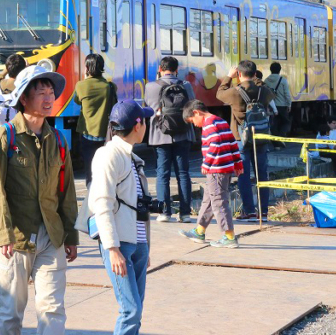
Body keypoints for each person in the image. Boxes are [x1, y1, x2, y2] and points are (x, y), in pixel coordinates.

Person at [0, 65, 79, 335]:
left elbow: (67, 192)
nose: (49, 98)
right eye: (41, 93)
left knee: (52, 309)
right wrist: (2, 233)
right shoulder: (4, 138)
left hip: (51, 235)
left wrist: (71, 236)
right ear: (23, 98)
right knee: (10, 311)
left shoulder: (58, 140)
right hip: (15, 237)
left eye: (51, 92)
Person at [86, 100, 153, 335]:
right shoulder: (109, 155)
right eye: (145, 120)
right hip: (120, 245)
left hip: (138, 243)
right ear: (137, 125)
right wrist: (112, 248)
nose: (147, 125)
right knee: (130, 310)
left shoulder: (131, 157)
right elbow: (101, 203)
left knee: (137, 309)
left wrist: (146, 247)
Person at [216, 61, 276, 221]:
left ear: (239, 74)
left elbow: (219, 93)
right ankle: (263, 212)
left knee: (243, 174)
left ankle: (249, 211)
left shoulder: (235, 92)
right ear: (255, 74)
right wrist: (257, 81)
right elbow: (272, 93)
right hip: (261, 137)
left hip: (240, 138)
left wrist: (228, 77)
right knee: (262, 174)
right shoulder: (263, 91)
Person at [182, 100, 242, 248]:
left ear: (196, 112)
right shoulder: (221, 121)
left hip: (216, 169)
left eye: (192, 121)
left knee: (219, 202)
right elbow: (232, 143)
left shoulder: (209, 124)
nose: (194, 125)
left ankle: (229, 236)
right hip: (225, 168)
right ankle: (199, 231)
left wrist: (207, 163)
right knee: (208, 200)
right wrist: (238, 163)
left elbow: (215, 143)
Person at [146, 56, 194, 223]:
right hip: (183, 134)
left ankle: (164, 212)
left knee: (162, 174)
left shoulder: (151, 86)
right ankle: (185, 214)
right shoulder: (186, 85)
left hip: (160, 135)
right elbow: (192, 107)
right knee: (183, 173)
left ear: (160, 69)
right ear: (176, 70)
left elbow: (150, 108)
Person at [75, 53, 118, 188]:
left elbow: (77, 101)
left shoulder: (81, 85)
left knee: (90, 168)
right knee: (105, 169)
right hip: (105, 134)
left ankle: (91, 197)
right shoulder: (110, 86)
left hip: (88, 133)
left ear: (87, 68)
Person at [263, 62, 292, 143]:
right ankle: (281, 138)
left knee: (274, 124)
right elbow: (287, 94)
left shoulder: (266, 81)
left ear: (270, 70)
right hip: (282, 106)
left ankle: (276, 143)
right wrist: (289, 104)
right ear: (280, 70)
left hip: (271, 106)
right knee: (286, 122)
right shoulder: (283, 80)